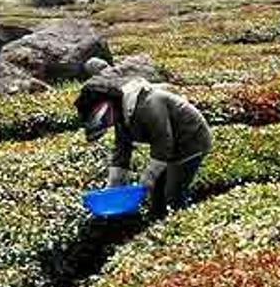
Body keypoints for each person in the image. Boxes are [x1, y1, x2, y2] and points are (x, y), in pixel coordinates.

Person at [75, 77, 212, 220]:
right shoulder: (121, 113)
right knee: (157, 194)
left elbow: (163, 143)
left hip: (192, 140)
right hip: (171, 146)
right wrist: (114, 185)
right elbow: (122, 148)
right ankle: (157, 222)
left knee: (173, 193)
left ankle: (180, 224)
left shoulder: (148, 105)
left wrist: (147, 178)